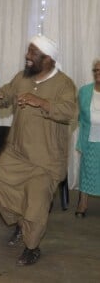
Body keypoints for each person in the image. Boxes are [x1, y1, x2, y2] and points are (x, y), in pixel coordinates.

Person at [0, 35, 77, 266]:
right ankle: (20, 224)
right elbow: (3, 96)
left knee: (35, 208)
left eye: (33, 53)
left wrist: (41, 102)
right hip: (17, 153)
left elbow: (70, 112)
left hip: (46, 160)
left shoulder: (64, 83)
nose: (27, 56)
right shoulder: (22, 78)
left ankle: (32, 247)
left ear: (48, 59)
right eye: (28, 51)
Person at [75, 58, 100, 217]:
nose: (98, 73)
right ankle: (82, 204)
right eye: (95, 70)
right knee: (86, 171)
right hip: (89, 138)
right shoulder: (84, 91)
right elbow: (80, 117)